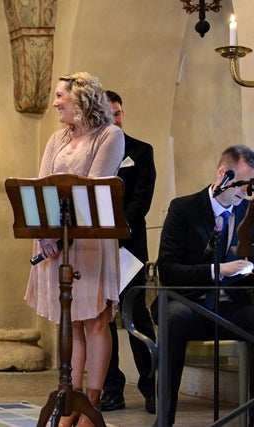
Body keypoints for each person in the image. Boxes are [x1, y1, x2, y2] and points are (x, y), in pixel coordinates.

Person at [25, 72, 125, 427]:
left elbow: (92, 187)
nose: (54, 103)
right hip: (57, 241)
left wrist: (61, 232)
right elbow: (41, 186)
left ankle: (91, 405)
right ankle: (70, 401)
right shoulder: (57, 138)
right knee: (73, 322)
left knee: (95, 319)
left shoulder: (109, 135)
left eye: (60, 97)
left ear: (81, 99)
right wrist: (45, 234)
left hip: (92, 238)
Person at [154, 144, 254, 427]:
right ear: (223, 173)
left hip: (230, 307)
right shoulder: (183, 208)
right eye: (242, 183)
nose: (245, 191)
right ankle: (164, 420)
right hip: (190, 303)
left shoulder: (248, 212)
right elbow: (168, 270)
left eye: (251, 185)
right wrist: (216, 270)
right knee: (174, 319)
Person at [100, 90, 157, 414]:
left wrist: (119, 230)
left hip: (129, 248)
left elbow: (141, 199)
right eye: (109, 115)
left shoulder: (141, 151)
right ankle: (112, 390)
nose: (116, 120)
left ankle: (152, 389)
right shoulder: (93, 153)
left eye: (119, 113)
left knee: (136, 315)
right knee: (102, 319)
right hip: (96, 248)